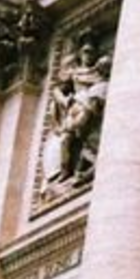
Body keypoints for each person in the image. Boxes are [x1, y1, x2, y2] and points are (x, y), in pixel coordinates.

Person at [44, 39, 111, 187]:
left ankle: (86, 166)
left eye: (91, 52)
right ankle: (65, 170)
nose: (88, 55)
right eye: (85, 52)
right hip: (74, 107)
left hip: (89, 107)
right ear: (80, 55)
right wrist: (64, 101)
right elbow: (56, 90)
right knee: (65, 140)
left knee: (85, 135)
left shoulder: (99, 72)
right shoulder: (74, 73)